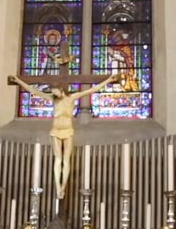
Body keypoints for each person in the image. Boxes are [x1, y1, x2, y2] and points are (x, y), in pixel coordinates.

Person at [9, 71, 126, 200]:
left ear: (61, 89)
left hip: (68, 130)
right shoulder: (53, 99)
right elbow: (33, 90)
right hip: (55, 131)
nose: (54, 94)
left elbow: (93, 89)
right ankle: (57, 187)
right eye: (52, 92)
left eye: (55, 91)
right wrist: (19, 81)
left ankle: (63, 186)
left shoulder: (72, 97)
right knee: (58, 160)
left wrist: (108, 80)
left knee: (66, 160)